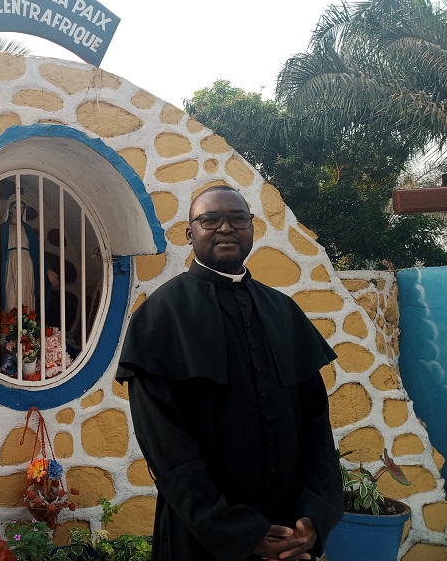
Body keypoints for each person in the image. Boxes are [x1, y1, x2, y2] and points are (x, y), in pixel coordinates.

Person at [116, 185, 343, 561]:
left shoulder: (284, 313)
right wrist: (238, 531)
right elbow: (167, 449)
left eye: (238, 219)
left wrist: (315, 518)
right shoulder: (159, 318)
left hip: (289, 531)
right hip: (202, 537)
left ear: (251, 229)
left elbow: (318, 428)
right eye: (210, 219)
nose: (226, 228)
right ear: (190, 233)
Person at [0, 195, 59, 330]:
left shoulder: (28, 230)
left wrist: (48, 271)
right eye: (15, 207)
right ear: (10, 209)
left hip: (27, 267)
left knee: (27, 296)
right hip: (9, 267)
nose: (18, 210)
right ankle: (9, 333)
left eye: (21, 208)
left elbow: (38, 254)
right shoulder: (2, 229)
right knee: (10, 297)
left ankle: (27, 332)